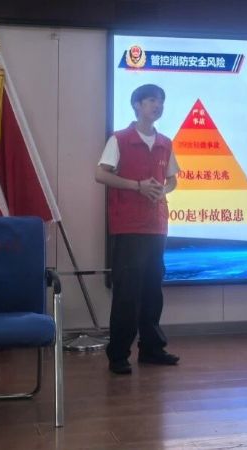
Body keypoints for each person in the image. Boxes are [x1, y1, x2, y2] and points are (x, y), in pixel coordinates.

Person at [96, 84, 180, 375]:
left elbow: (172, 179)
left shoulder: (165, 142)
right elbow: (100, 174)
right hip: (128, 226)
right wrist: (137, 186)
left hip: (156, 226)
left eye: (161, 101)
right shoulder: (120, 139)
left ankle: (152, 349)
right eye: (152, 100)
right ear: (136, 105)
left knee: (153, 290)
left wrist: (161, 190)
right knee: (127, 292)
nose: (157, 106)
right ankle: (119, 354)